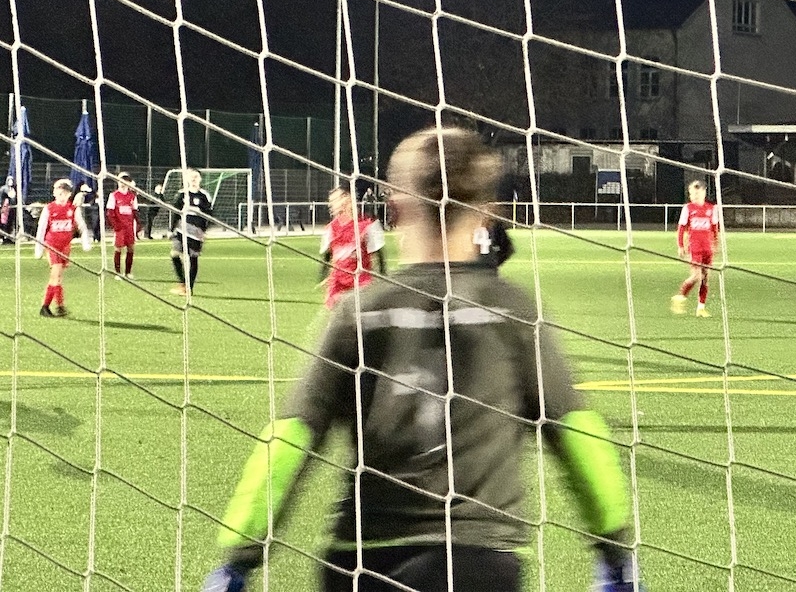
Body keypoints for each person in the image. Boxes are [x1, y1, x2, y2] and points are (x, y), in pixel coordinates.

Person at [201, 127, 643, 592]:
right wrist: (614, 550)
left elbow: (291, 436)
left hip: (364, 563)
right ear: (487, 211)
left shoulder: (359, 313)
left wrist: (238, 558)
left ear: (394, 206)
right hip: (479, 561)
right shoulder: (513, 312)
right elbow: (576, 431)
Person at [319, 185, 386, 309]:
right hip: (338, 284)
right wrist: (323, 276)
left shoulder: (367, 226)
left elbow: (379, 253)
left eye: (335, 200)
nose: (331, 205)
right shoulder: (330, 228)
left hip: (360, 282)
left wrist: (383, 277)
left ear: (348, 199)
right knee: (338, 315)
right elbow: (328, 254)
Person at [35, 179, 92, 318]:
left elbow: (82, 227)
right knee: (56, 275)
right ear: (54, 193)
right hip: (52, 246)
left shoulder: (72, 209)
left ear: (69, 194)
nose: (61, 196)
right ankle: (46, 306)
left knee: (58, 278)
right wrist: (39, 249)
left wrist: (85, 242)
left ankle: (58, 306)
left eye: (64, 193)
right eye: (59, 193)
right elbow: (41, 229)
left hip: (65, 247)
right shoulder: (49, 209)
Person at [670, 180, 721, 318]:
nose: (694, 196)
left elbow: (714, 229)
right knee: (696, 276)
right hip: (695, 248)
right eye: (692, 194)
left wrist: (715, 244)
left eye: (697, 194)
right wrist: (680, 245)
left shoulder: (712, 209)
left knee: (705, 278)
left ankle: (701, 308)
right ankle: (680, 297)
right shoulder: (688, 208)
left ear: (704, 193)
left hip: (707, 248)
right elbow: (681, 228)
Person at [170, 169, 213, 297]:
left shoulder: (204, 196)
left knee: (193, 258)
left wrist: (204, 230)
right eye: (191, 177)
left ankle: (189, 288)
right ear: (187, 179)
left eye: (196, 177)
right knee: (174, 254)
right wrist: (171, 229)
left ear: (200, 179)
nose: (194, 179)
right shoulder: (181, 194)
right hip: (181, 229)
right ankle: (183, 283)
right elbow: (175, 213)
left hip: (196, 232)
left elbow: (210, 215)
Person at [106, 173, 141, 280]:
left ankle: (128, 272)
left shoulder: (132, 196)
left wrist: (138, 224)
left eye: (126, 181)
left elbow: (135, 211)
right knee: (118, 248)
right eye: (121, 181)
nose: (123, 183)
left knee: (131, 248)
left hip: (129, 226)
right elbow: (110, 213)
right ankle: (118, 273)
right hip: (120, 227)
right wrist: (115, 225)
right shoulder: (114, 195)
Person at [0, 175, 18, 244]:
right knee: (3, 222)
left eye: (12, 181)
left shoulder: (13, 189)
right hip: (4, 208)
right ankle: (2, 237)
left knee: (10, 222)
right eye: (9, 180)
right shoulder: (4, 188)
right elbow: (11, 195)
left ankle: (8, 237)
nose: (11, 182)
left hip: (11, 208)